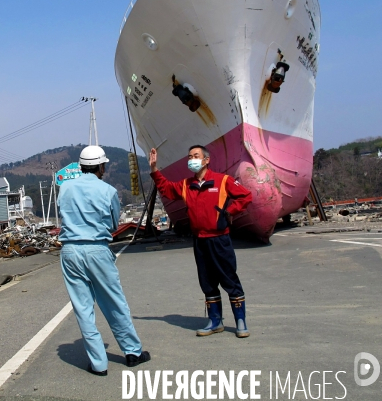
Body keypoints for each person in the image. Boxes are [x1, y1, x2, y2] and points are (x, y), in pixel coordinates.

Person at [58, 145, 150, 376]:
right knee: (114, 302)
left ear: (81, 166)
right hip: (97, 249)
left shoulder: (65, 187)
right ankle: (132, 352)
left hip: (70, 250)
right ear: (101, 166)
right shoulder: (108, 190)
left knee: (83, 308)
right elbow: (112, 225)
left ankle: (98, 364)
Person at [149, 145, 253, 338]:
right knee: (207, 283)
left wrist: (231, 211)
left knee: (230, 280)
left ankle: (240, 320)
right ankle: (215, 321)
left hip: (220, 240)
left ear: (206, 160)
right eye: (189, 156)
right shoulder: (186, 185)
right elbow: (166, 188)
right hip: (200, 241)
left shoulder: (223, 181)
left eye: (196, 156)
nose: (191, 159)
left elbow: (246, 196)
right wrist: (154, 169)